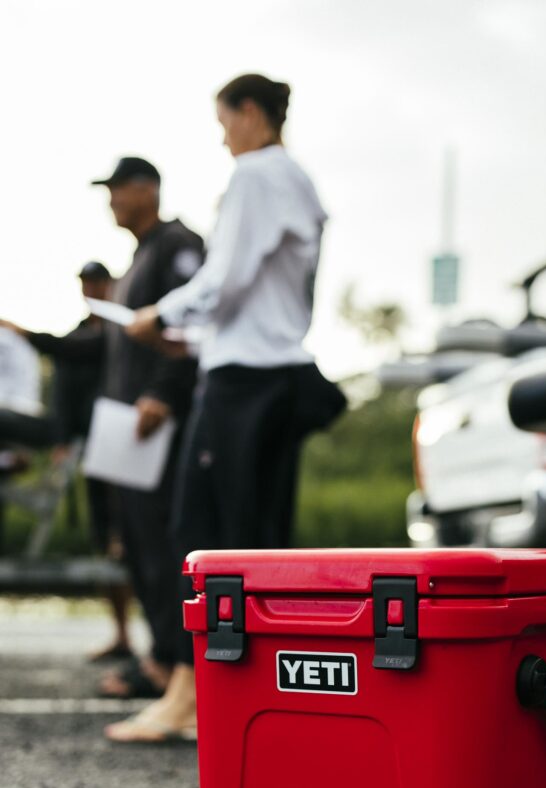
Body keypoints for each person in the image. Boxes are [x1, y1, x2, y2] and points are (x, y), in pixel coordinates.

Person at [105, 73, 333, 742]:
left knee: (202, 540)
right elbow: (264, 295)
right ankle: (229, 697)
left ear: (250, 112)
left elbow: (224, 275)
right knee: (252, 541)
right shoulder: (300, 182)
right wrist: (195, 333)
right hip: (272, 374)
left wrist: (158, 314)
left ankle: (193, 695)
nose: (222, 135)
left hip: (242, 383)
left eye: (224, 120)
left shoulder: (256, 175)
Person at [89, 157, 204, 698]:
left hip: (154, 421)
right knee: (134, 542)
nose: (111, 200)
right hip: (124, 423)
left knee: (161, 542)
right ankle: (159, 649)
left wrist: (163, 391)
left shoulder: (177, 244)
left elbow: (189, 326)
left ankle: (170, 658)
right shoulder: (139, 256)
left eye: (117, 189)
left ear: (146, 189)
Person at [0, 262, 134, 661]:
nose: (91, 290)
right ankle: (121, 632)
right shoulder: (79, 331)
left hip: (116, 442)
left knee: (121, 537)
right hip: (83, 443)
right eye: (86, 284)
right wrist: (58, 439)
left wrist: (25, 333)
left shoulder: (117, 332)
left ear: (109, 285)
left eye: (97, 283)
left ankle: (137, 633)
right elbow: (59, 387)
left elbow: (71, 351)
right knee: (100, 535)